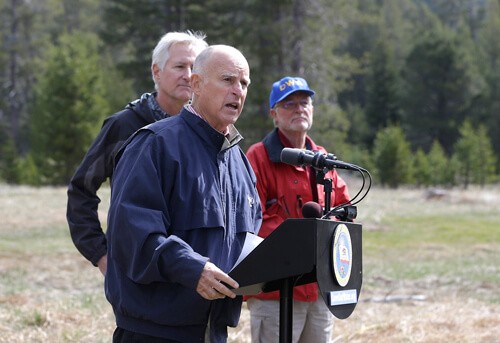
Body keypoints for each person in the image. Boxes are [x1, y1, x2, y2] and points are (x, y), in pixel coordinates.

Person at [105, 45, 262, 343]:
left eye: (244, 84)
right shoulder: (154, 145)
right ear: (197, 84)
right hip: (154, 331)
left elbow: (247, 240)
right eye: (227, 80)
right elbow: (133, 233)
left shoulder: (240, 163)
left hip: (213, 331)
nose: (237, 91)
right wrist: (192, 269)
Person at [66, 31, 208, 275]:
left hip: (196, 271)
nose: (187, 75)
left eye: (194, 67)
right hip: (136, 271)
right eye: (179, 66)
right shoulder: (123, 126)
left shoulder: (208, 130)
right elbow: (81, 190)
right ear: (157, 72)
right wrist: (100, 254)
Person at [245, 76, 351, 343]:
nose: (299, 109)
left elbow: (343, 205)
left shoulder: (322, 157)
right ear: (274, 115)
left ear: (312, 109)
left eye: (304, 103)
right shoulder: (258, 157)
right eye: (288, 104)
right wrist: (303, 241)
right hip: (274, 291)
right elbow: (251, 219)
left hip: (319, 289)